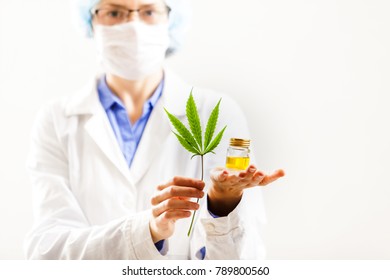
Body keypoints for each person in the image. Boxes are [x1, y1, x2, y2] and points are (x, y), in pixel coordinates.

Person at [25, 0, 285, 260]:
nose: (133, 26)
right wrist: (147, 231)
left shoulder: (217, 113)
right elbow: (47, 252)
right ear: (90, 20)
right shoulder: (56, 121)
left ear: (170, 18)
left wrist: (222, 204)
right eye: (114, 12)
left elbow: (243, 263)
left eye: (148, 11)